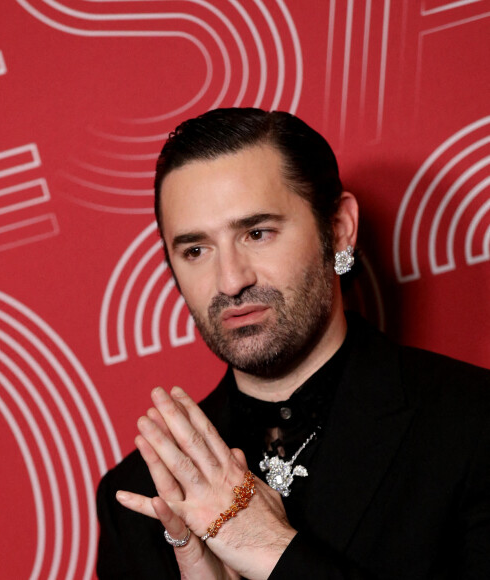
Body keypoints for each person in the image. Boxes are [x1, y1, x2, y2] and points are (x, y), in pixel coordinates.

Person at [96, 108, 490, 579]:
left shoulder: (473, 424)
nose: (230, 280)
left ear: (339, 229)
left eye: (257, 233)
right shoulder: (139, 494)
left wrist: (270, 549)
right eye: (196, 250)